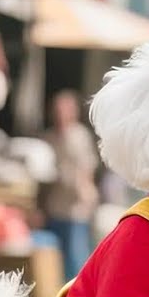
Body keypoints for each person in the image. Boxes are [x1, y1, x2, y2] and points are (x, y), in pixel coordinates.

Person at [41, 89, 100, 279]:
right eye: (57, 109)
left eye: (65, 109)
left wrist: (86, 196)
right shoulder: (49, 138)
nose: (60, 114)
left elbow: (87, 169)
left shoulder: (79, 136)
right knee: (56, 259)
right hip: (56, 206)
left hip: (76, 208)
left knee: (76, 257)